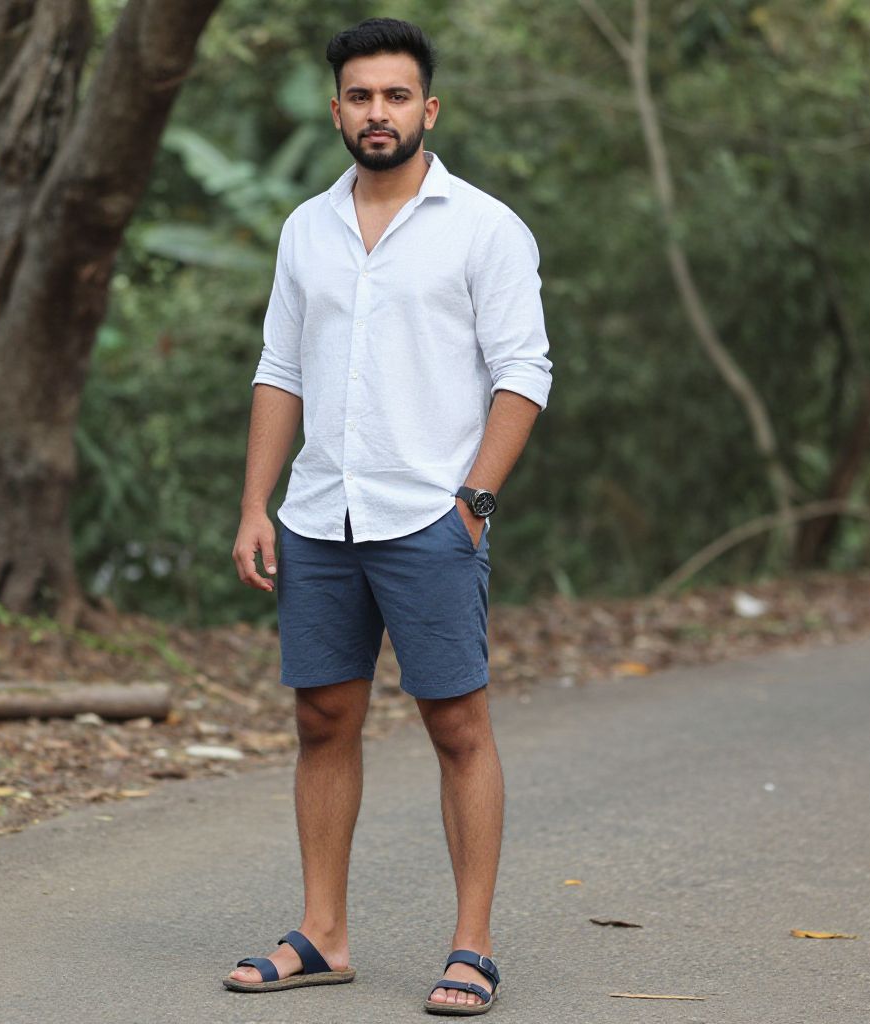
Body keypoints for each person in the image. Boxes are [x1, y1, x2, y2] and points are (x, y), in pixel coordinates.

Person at [227, 16, 552, 1015]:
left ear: (428, 109)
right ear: (337, 111)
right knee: (322, 718)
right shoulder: (306, 229)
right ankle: (323, 934)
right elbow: (280, 369)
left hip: (429, 519)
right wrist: (256, 505)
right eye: (361, 97)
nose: (379, 112)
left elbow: (523, 373)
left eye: (396, 96)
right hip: (320, 515)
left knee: (456, 724)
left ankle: (472, 946)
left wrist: (474, 502)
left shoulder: (484, 228)